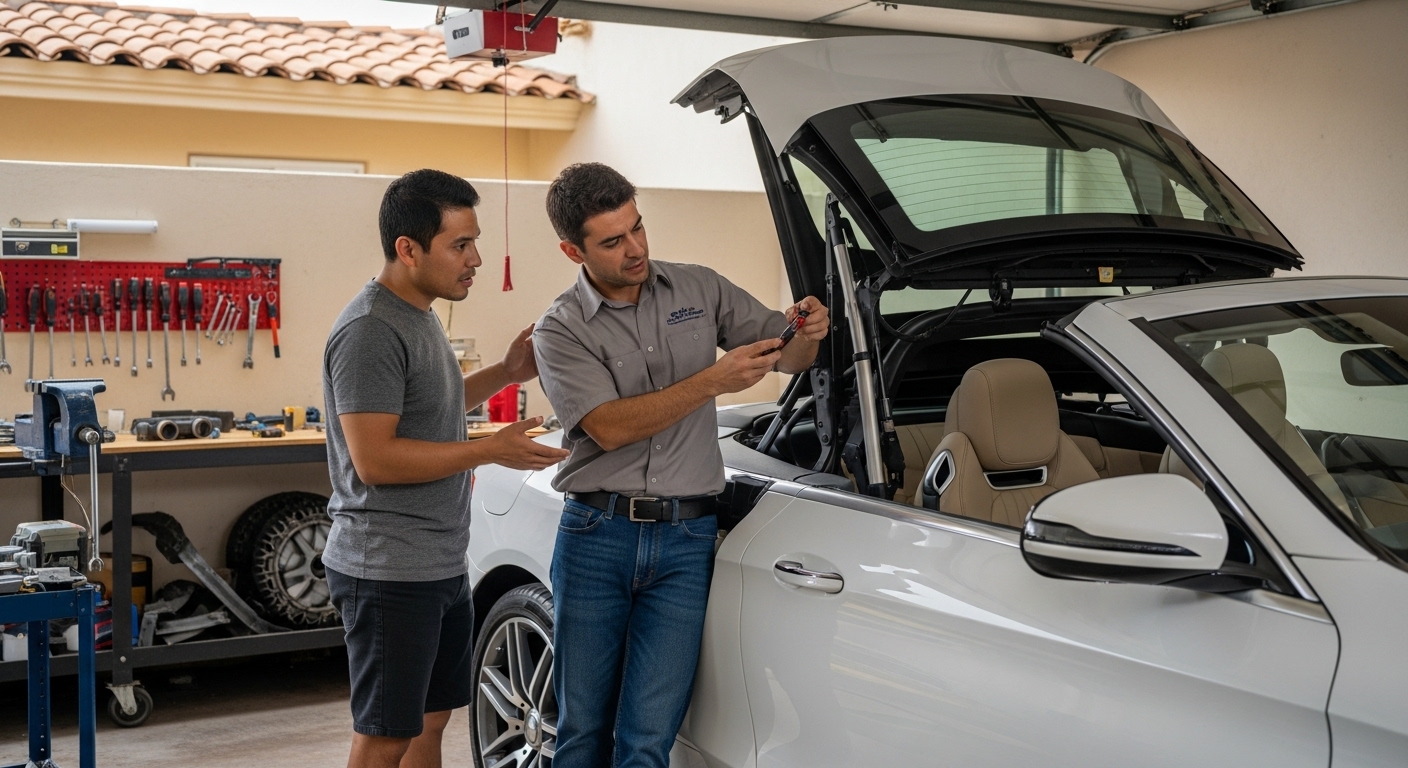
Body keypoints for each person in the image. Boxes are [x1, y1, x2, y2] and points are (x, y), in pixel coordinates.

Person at [533, 162, 829, 768]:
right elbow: (608, 427)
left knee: (647, 743)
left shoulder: (700, 288)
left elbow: (788, 354)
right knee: (582, 736)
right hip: (596, 538)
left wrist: (811, 329)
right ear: (573, 250)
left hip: (686, 541)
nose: (635, 248)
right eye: (613, 242)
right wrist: (712, 380)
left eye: (637, 228)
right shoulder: (559, 327)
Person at [321, 168, 569, 768]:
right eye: (460, 245)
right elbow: (375, 459)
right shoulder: (371, 330)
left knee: (428, 724)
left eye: (474, 241)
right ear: (409, 249)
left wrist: (507, 372)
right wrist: (489, 449)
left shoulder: (419, 312)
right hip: (388, 567)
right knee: (385, 736)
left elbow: (431, 406)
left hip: (437, 561)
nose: (476, 259)